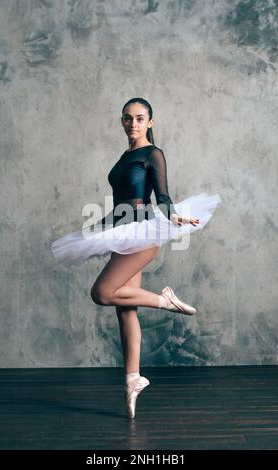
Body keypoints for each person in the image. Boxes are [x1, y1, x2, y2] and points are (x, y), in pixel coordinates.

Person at [51, 97, 222, 418]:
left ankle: (165, 301)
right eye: (128, 119)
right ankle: (133, 380)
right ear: (122, 122)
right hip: (123, 231)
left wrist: (176, 218)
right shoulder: (125, 156)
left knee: (102, 293)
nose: (133, 124)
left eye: (140, 119)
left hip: (143, 233)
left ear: (150, 122)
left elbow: (163, 195)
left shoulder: (152, 153)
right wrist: (98, 227)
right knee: (125, 309)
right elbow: (121, 203)